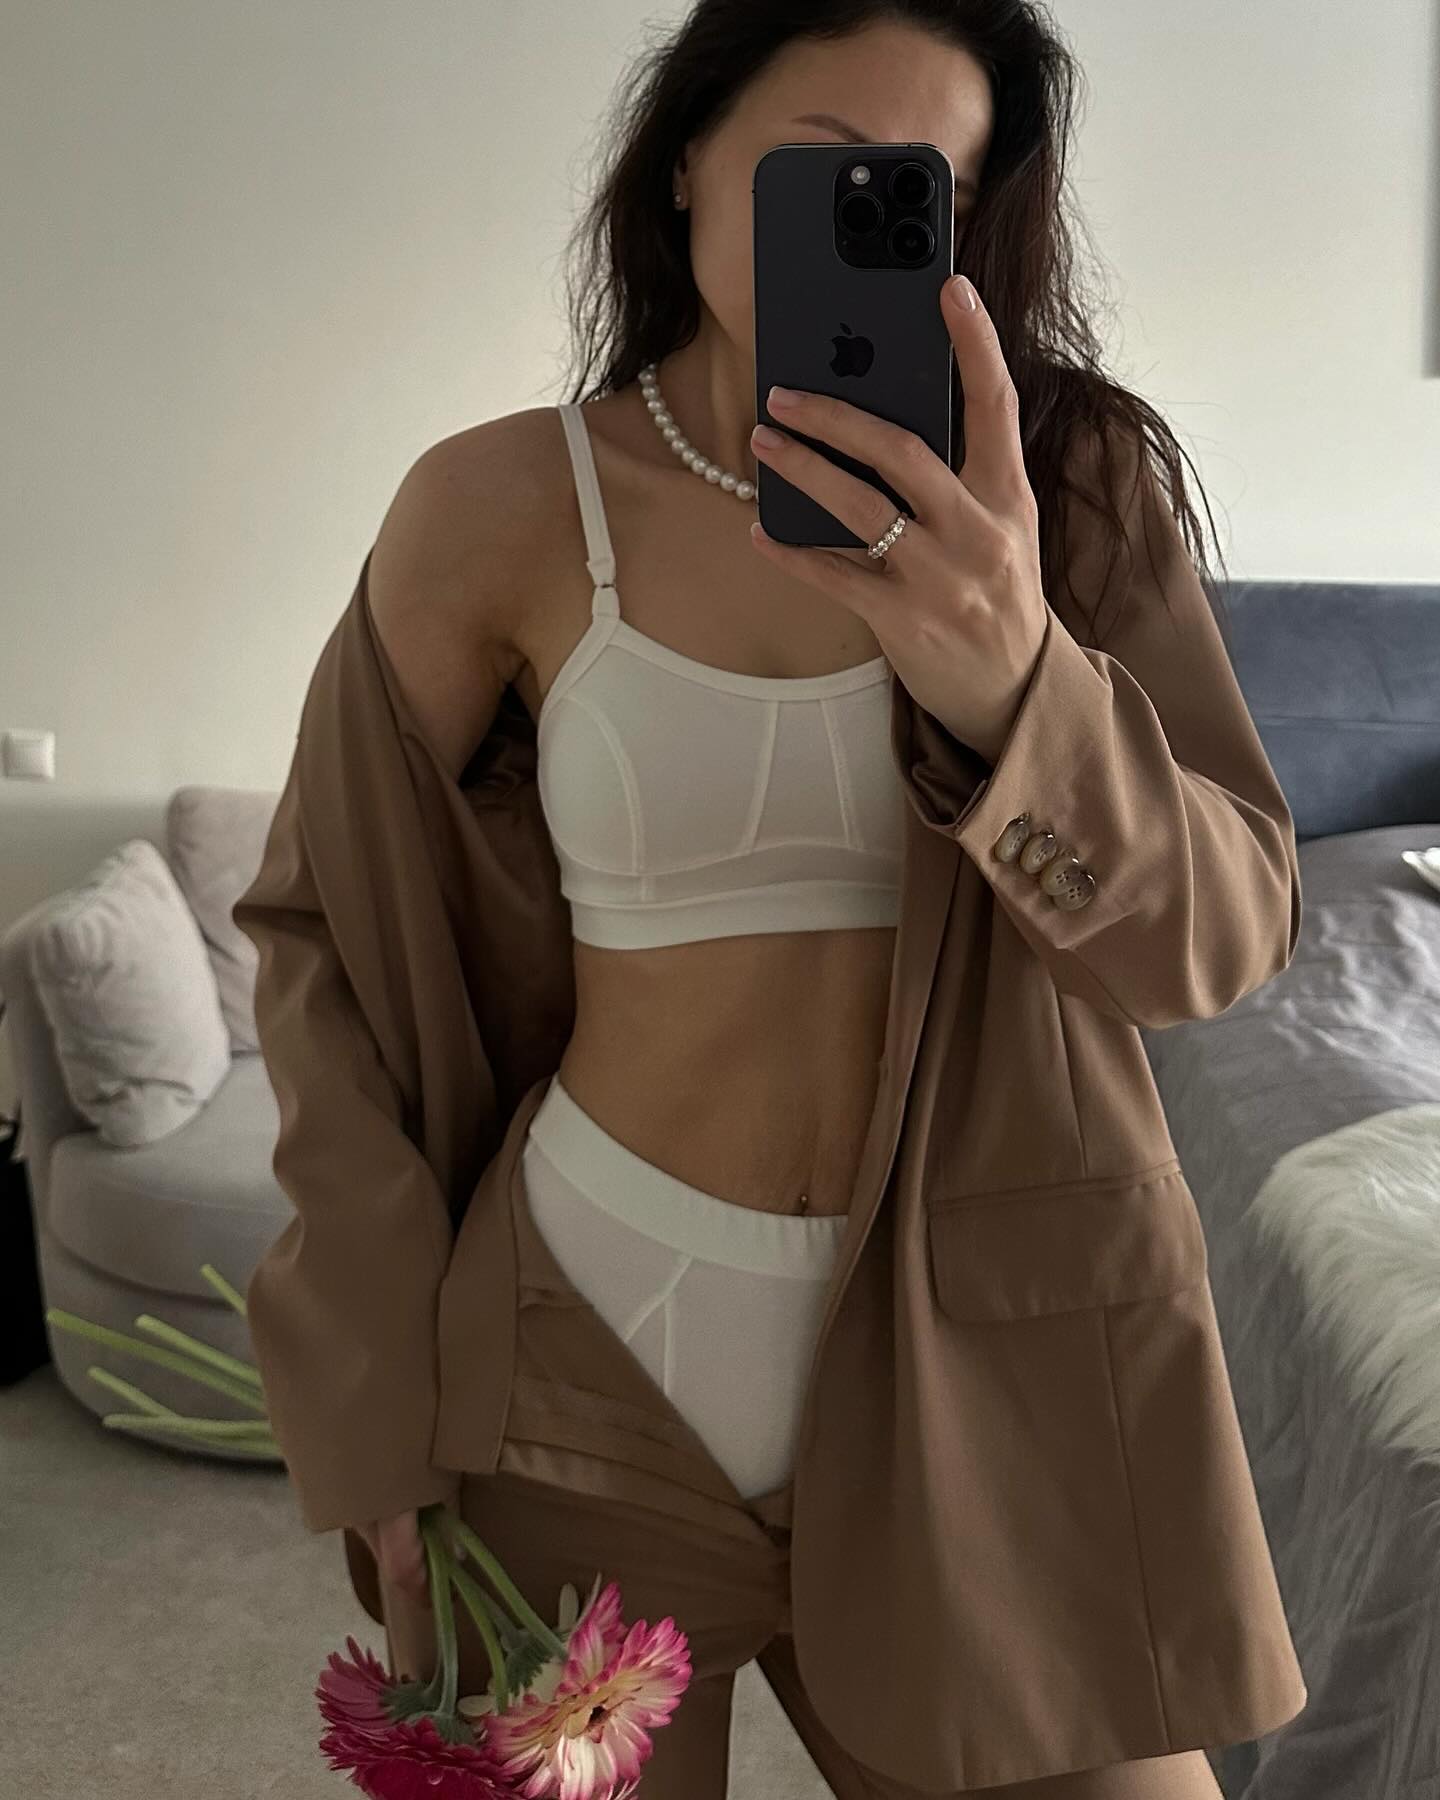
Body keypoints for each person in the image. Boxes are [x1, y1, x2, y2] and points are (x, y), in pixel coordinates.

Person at [269, 3, 1299, 1793]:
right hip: (581, 1370)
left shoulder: (1064, 492)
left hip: (996, 1375)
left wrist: (1016, 680)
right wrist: (370, 1408)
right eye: (821, 170)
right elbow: (330, 957)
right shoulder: (499, 506)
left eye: (920, 189)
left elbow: (1213, 946)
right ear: (686, 159)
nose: (868, 220)